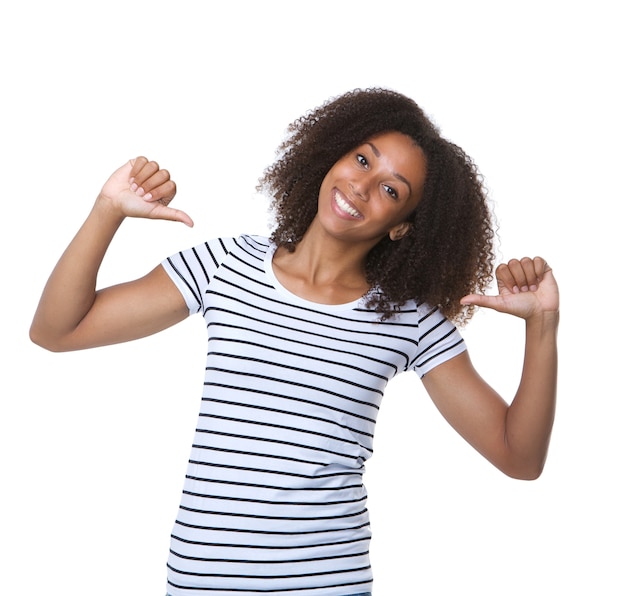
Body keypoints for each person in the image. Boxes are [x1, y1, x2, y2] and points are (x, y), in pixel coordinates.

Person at [30, 88, 559, 596]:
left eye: (392, 190)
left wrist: (542, 328)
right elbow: (56, 331)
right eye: (361, 160)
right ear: (332, 156)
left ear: (401, 227)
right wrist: (107, 210)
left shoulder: (407, 319)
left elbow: (519, 457)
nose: (362, 186)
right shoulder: (225, 265)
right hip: (197, 584)